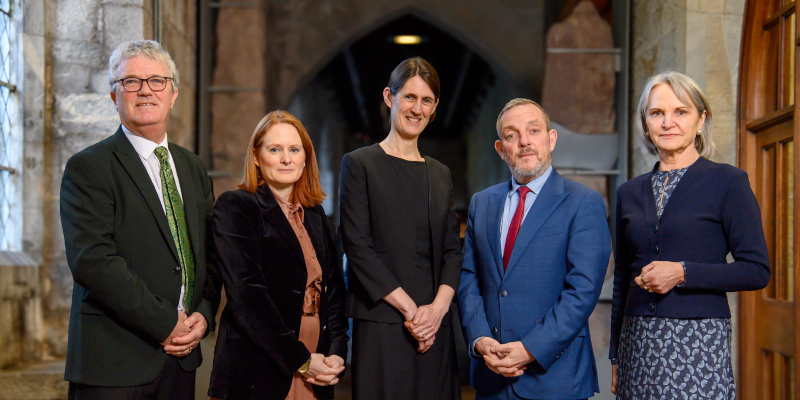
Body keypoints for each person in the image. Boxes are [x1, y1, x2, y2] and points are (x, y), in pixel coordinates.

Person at [60, 39, 220, 399]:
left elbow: (209, 254)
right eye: (130, 81)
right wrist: (166, 324)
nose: (145, 90)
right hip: (114, 362)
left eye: (156, 81)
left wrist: (205, 315)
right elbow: (93, 261)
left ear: (173, 93)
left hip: (181, 361)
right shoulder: (89, 167)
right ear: (115, 96)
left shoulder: (192, 167)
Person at [609, 71, 770, 399]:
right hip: (636, 342)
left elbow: (756, 270)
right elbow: (622, 278)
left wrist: (683, 272)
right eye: (657, 113)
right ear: (646, 124)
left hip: (699, 340)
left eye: (680, 112)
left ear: (701, 120)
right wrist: (615, 354)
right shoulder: (628, 192)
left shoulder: (728, 182)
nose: (668, 122)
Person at [458, 98, 610, 400]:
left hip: (554, 378)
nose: (524, 141)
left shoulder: (583, 202)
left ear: (551, 140)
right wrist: (479, 339)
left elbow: (583, 290)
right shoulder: (482, 203)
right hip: (492, 377)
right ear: (502, 150)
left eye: (534, 130)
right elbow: (469, 277)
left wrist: (530, 349)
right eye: (512, 135)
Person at [339, 57, 463, 399]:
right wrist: (412, 313)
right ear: (388, 97)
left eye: (426, 100)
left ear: (435, 106)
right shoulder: (360, 164)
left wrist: (436, 312)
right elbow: (357, 247)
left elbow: (453, 250)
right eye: (409, 97)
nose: (416, 108)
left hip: (436, 328)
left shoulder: (440, 174)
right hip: (383, 324)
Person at [209, 110, 348, 400]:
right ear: (257, 157)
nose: (286, 159)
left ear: (306, 158)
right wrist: (301, 360)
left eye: (294, 150)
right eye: (275, 149)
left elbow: (334, 291)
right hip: (260, 367)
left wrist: (337, 352)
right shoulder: (236, 207)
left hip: (317, 365)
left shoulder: (316, 216)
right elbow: (248, 296)